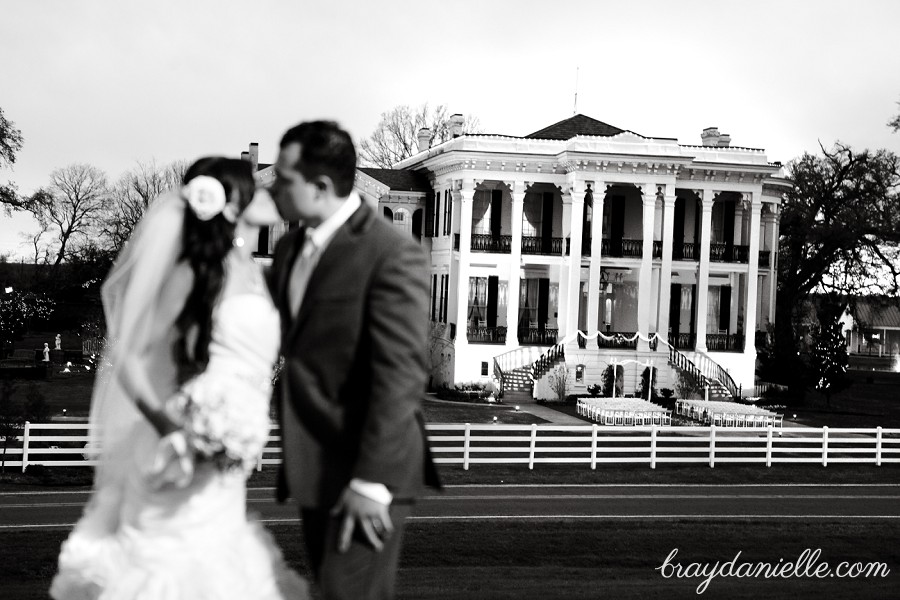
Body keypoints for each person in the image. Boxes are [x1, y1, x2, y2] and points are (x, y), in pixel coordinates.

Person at [50, 157, 309, 599]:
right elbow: (129, 357)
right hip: (185, 449)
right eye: (258, 189)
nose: (270, 194)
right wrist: (175, 430)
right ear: (233, 207)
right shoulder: (191, 272)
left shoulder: (248, 267)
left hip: (229, 464)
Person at [268, 120, 440, 599]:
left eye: (284, 179)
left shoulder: (392, 253)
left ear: (320, 187)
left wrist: (371, 482)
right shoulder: (287, 250)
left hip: (369, 468)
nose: (275, 187)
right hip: (311, 463)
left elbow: (401, 372)